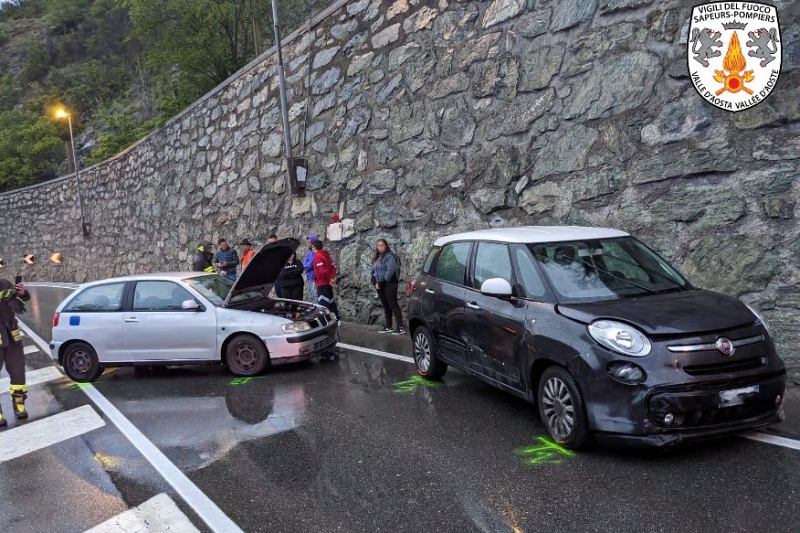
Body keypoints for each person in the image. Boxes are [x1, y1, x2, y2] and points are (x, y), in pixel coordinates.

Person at [0, 277, 30, 426]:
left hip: (11, 336)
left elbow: (24, 298)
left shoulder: (5, 283)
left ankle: (19, 405)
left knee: (18, 372)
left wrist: (22, 293)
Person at [371, 239, 405, 334]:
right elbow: (373, 271)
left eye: (382, 245)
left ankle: (400, 327)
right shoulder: (377, 258)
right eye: (378, 245)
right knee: (386, 306)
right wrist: (374, 281)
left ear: (386, 246)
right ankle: (389, 326)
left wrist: (380, 283)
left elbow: (389, 271)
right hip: (379, 285)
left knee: (393, 304)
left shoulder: (389, 256)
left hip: (390, 284)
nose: (380, 247)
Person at [312, 240, 339, 319]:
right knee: (331, 302)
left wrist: (330, 280)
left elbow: (322, 271)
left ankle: (324, 322)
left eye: (312, 247)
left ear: (314, 247)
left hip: (322, 283)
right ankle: (336, 319)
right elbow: (333, 268)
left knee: (323, 304)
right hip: (328, 283)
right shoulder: (326, 255)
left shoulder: (317, 256)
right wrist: (332, 278)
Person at [303, 234, 318, 302]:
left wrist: (305, 267)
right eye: (307, 242)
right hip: (309, 275)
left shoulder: (313, 252)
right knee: (311, 293)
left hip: (313, 276)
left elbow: (311, 263)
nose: (307, 244)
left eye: (309, 242)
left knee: (315, 293)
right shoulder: (309, 251)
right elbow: (305, 261)